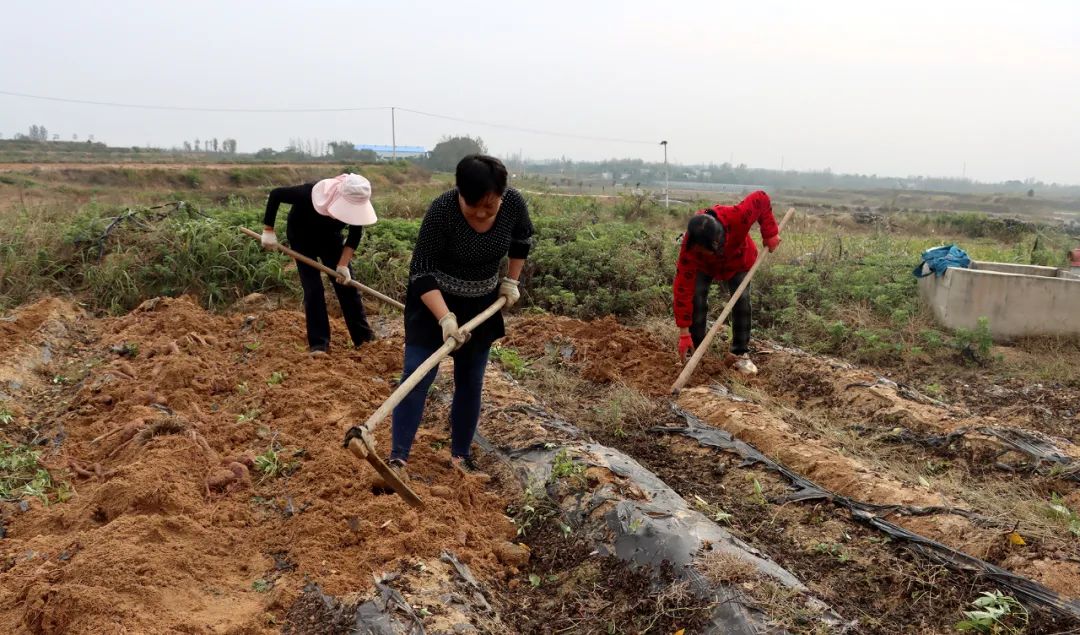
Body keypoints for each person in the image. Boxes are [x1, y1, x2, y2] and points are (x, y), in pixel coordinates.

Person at [385, 155, 533, 481]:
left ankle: (460, 458)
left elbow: (522, 239)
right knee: (416, 375)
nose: (481, 214)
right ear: (459, 192)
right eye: (473, 206)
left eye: (489, 207)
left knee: (470, 381)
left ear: (501, 196)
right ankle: (397, 462)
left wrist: (511, 280)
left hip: (480, 304)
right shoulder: (442, 211)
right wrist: (445, 319)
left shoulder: (514, 205)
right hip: (433, 304)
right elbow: (421, 273)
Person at [261, 173, 377, 355]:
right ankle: (319, 344)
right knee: (313, 289)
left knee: (347, 287)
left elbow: (354, 235)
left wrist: (343, 265)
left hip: (330, 239)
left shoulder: (356, 205)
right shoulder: (309, 193)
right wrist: (268, 230)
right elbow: (276, 194)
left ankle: (364, 339)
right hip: (301, 238)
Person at [673, 190, 780, 375]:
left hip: (739, 260)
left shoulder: (737, 216)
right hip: (705, 268)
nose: (698, 251)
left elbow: (761, 198)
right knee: (696, 299)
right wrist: (684, 333)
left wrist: (770, 233)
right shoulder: (690, 249)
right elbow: (682, 288)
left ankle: (740, 353)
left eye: (703, 250)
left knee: (742, 301)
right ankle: (696, 351)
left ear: (716, 243)